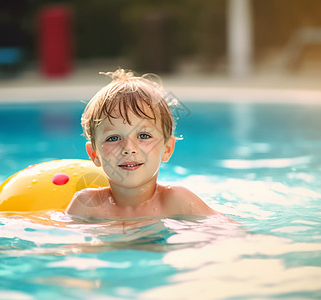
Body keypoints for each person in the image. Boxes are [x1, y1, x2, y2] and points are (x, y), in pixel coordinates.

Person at [65, 69, 222, 219]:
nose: (128, 148)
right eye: (113, 138)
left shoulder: (177, 201)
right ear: (94, 154)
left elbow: (228, 234)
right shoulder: (86, 206)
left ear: (167, 149)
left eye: (143, 135)